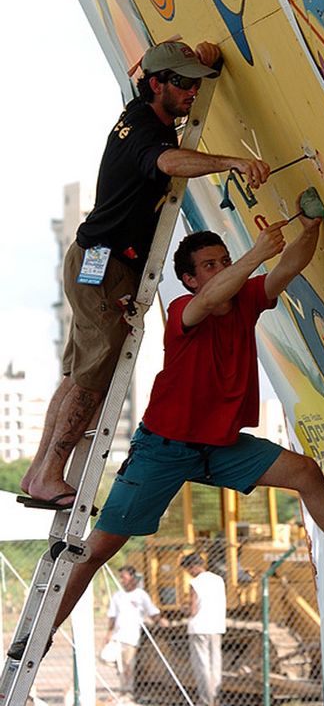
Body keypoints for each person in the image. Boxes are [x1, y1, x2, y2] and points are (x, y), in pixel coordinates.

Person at [8, 212, 324, 662]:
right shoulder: (182, 310)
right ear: (189, 280)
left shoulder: (249, 298)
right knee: (97, 549)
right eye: (210, 265)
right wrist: (254, 254)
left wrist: (309, 228)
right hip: (163, 449)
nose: (220, 269)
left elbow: (291, 265)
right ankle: (40, 633)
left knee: (305, 473)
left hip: (222, 446)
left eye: (224, 260)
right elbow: (217, 293)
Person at [19, 39, 270, 510]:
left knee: (79, 371)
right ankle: (50, 473)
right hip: (106, 266)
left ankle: (40, 473)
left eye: (195, 83)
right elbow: (168, 162)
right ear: (156, 85)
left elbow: (176, 80)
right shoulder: (141, 133)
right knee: (96, 371)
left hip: (97, 261)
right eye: (183, 84)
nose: (193, 92)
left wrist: (202, 61)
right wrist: (232, 161)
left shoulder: (146, 111)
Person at [102, 566, 160, 699]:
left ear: (132, 578)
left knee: (128, 666)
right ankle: (124, 688)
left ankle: (127, 691)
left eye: (124, 577)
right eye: (121, 578)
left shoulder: (141, 595)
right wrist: (109, 632)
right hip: (118, 636)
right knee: (106, 657)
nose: (122, 580)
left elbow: (152, 611)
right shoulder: (118, 596)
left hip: (132, 637)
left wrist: (160, 620)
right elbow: (112, 615)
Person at [180, 553, 226, 706]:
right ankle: (215, 696)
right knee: (215, 663)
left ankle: (206, 700)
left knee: (202, 665)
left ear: (193, 567)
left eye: (188, 569)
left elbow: (193, 610)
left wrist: (183, 610)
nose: (188, 572)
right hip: (216, 625)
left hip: (199, 626)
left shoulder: (195, 582)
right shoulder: (218, 579)